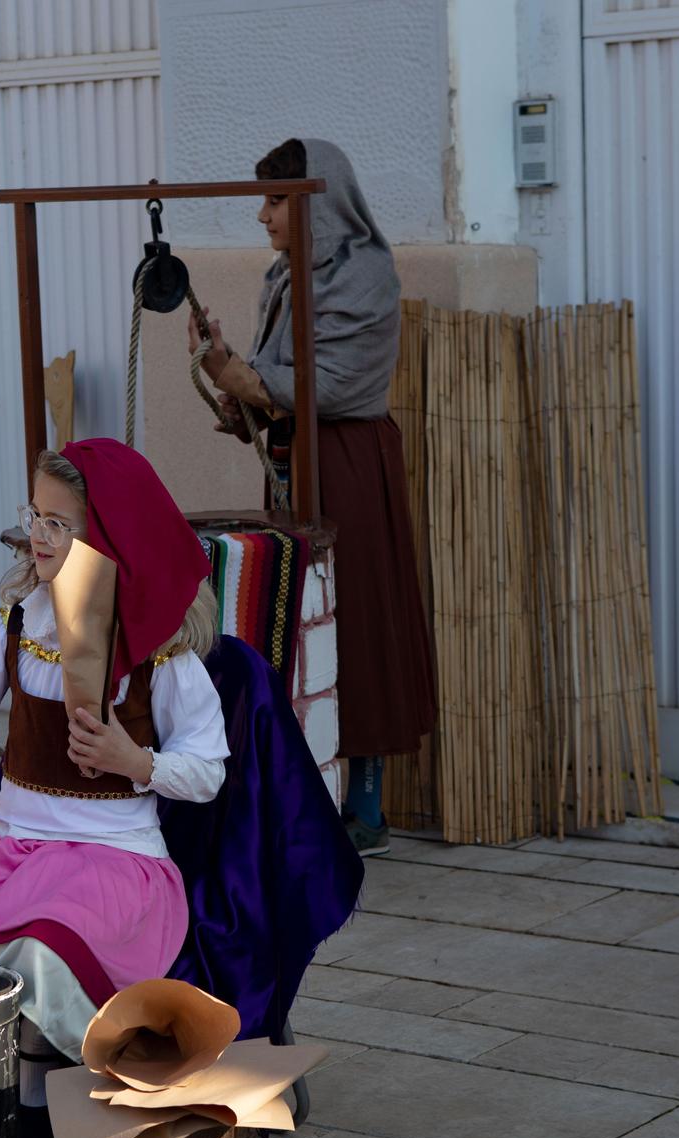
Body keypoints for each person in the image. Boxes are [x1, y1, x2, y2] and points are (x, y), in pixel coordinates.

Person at [0, 441, 229, 1080]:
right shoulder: (10, 629)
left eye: (58, 524)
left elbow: (208, 771)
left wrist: (135, 759)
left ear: (108, 541)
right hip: (12, 850)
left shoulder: (162, 658)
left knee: (42, 952)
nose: (36, 534)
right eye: (34, 514)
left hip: (113, 865)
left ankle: (38, 1133)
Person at [189, 136, 436, 851]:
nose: (263, 216)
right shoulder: (286, 278)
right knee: (293, 623)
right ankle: (306, 795)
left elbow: (326, 387)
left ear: (315, 204)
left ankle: (363, 808)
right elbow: (277, 390)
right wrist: (229, 378)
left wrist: (246, 378)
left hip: (350, 469)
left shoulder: (366, 278)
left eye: (276, 200)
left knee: (355, 623)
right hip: (296, 465)